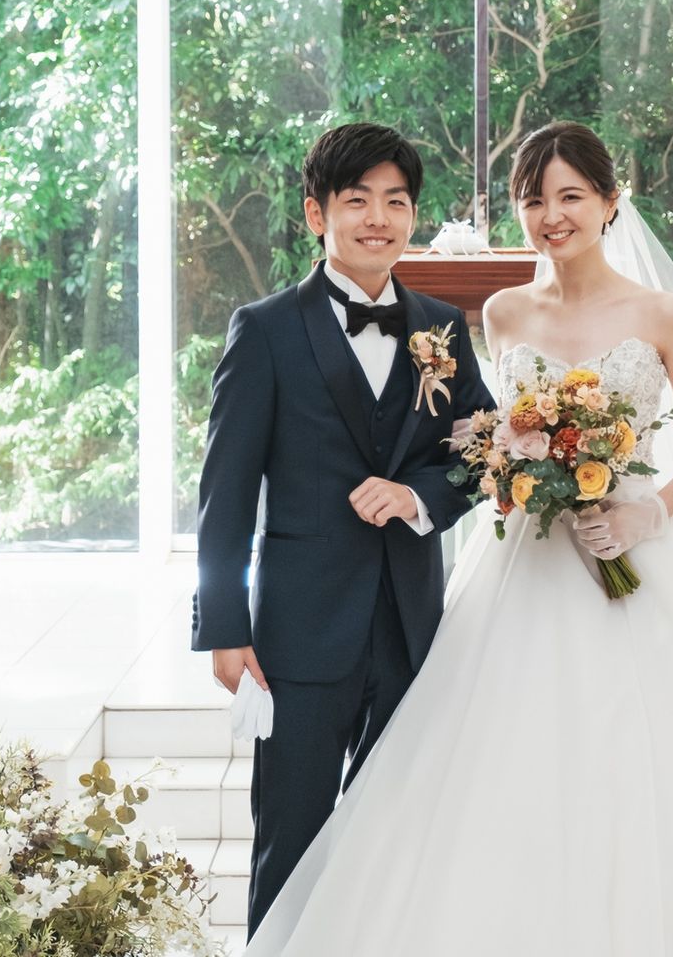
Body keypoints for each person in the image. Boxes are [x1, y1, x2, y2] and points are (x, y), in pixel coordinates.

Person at [245, 121, 673, 956]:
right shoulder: (502, 314)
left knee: (665, 763)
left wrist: (647, 513)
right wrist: (512, 469)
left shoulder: (660, 313)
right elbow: (477, 439)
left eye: (570, 196)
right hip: (526, 562)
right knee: (495, 763)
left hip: (636, 554)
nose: (551, 215)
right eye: (533, 199)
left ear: (611, 202)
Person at [191, 122, 495, 938]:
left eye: (396, 201)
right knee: (290, 838)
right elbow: (225, 493)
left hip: (410, 626)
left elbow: (485, 449)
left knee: (396, 838)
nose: (378, 219)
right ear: (316, 213)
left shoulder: (441, 327)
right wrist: (224, 627)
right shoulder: (264, 329)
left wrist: (417, 495)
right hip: (298, 632)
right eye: (357, 200)